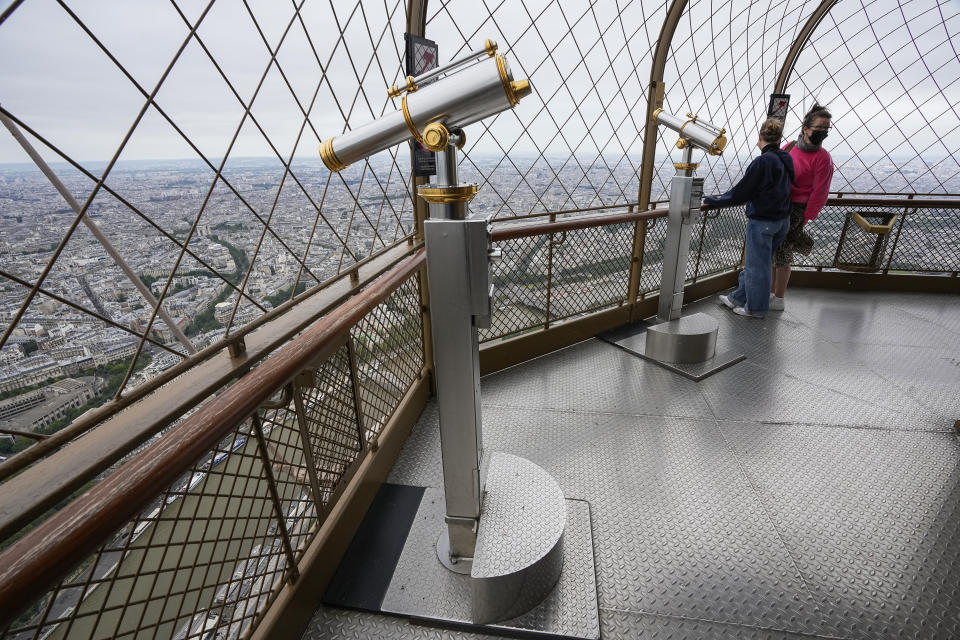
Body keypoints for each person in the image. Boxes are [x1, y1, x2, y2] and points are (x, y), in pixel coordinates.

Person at [703, 118, 794, 318]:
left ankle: (756, 308)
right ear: (779, 139)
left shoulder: (763, 162)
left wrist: (716, 201)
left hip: (764, 221)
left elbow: (742, 192)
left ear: (760, 137)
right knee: (758, 263)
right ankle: (738, 298)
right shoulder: (785, 159)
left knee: (756, 267)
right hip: (782, 220)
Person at [770, 104, 834, 310]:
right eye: (819, 128)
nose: (822, 133)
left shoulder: (822, 158)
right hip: (780, 204)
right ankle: (771, 294)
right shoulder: (789, 147)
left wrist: (806, 217)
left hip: (795, 209)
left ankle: (777, 297)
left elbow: (820, 191)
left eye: (826, 129)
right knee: (773, 250)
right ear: (805, 129)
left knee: (782, 251)